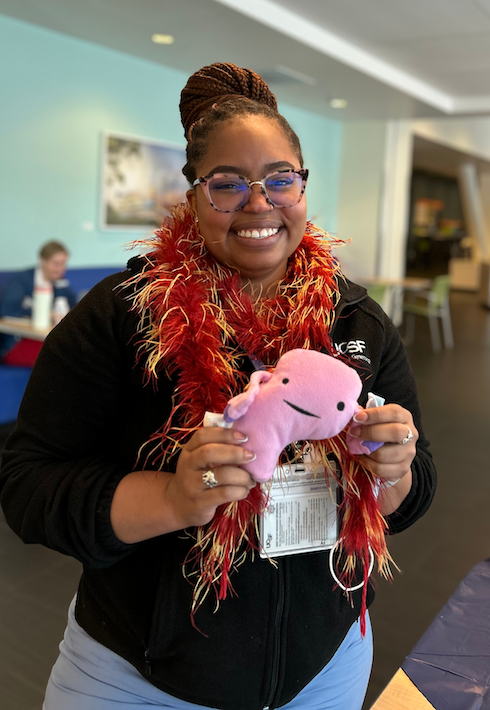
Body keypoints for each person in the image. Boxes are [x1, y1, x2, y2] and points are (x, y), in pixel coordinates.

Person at [0, 63, 436, 710]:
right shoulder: (122, 318)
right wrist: (175, 498)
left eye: (280, 179)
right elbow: (28, 485)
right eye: (227, 183)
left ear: (302, 185)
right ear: (194, 194)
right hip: (138, 681)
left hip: (327, 668)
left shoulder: (356, 320)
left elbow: (416, 486)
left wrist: (393, 469)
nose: (258, 202)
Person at [0, 240, 76, 365]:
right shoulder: (21, 280)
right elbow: (7, 310)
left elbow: (73, 306)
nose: (61, 269)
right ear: (42, 261)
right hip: (18, 342)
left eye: (63, 264)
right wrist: (45, 313)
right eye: (56, 264)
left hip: (47, 338)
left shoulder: (60, 282)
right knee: (62, 357)